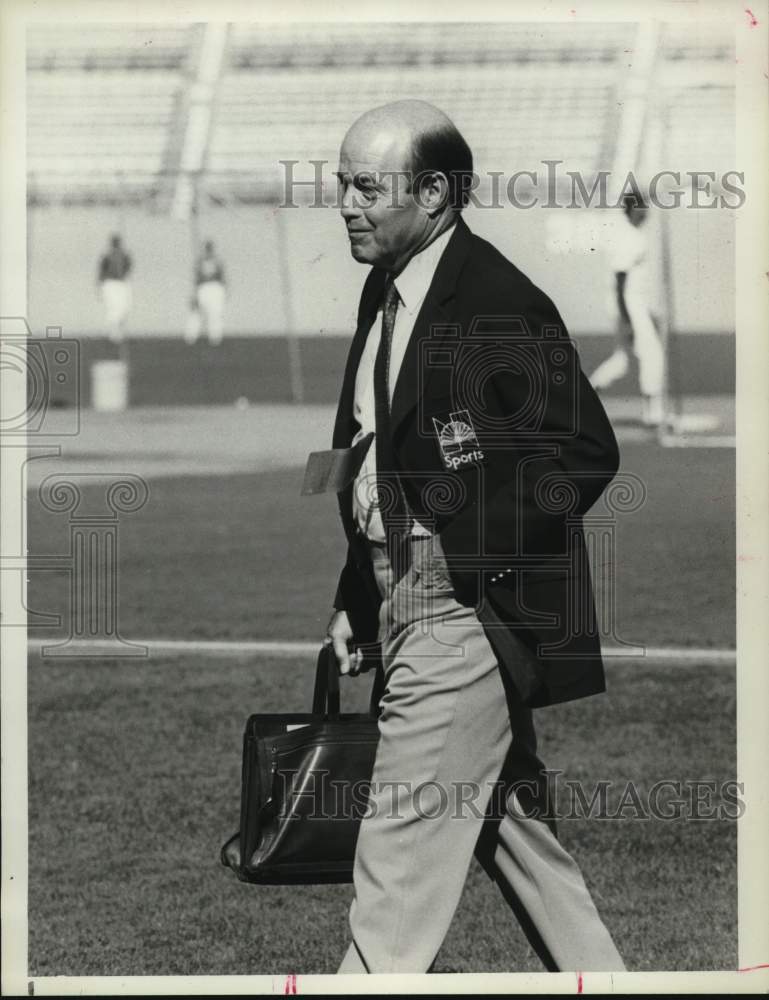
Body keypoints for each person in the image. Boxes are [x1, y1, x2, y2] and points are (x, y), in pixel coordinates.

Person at [324, 99, 626, 974]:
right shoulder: (384, 286)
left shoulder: (494, 298)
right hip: (403, 603)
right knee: (524, 852)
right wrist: (359, 594)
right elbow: (368, 447)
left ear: (436, 195)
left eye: (365, 186)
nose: (344, 201)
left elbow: (582, 449)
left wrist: (457, 558)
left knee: (394, 876)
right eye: (340, 181)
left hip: (462, 615)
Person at [589, 193, 665, 427]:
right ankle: (653, 412)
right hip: (628, 303)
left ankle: (586, 396)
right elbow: (620, 279)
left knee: (622, 360)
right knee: (652, 354)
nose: (647, 212)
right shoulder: (630, 237)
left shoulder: (629, 235)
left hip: (629, 303)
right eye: (643, 207)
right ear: (633, 209)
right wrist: (627, 318)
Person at [185, 239, 227, 345]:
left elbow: (222, 278)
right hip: (205, 287)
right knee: (198, 314)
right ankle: (191, 339)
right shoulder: (202, 261)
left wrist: (224, 290)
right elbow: (197, 279)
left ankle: (215, 340)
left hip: (214, 287)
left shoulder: (216, 261)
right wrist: (194, 294)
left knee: (215, 315)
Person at [97, 234, 132, 343]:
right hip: (110, 283)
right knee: (113, 308)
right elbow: (102, 271)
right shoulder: (107, 256)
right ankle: (113, 333)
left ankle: (119, 332)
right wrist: (100, 286)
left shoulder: (124, 255)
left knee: (123, 308)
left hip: (121, 283)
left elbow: (128, 267)